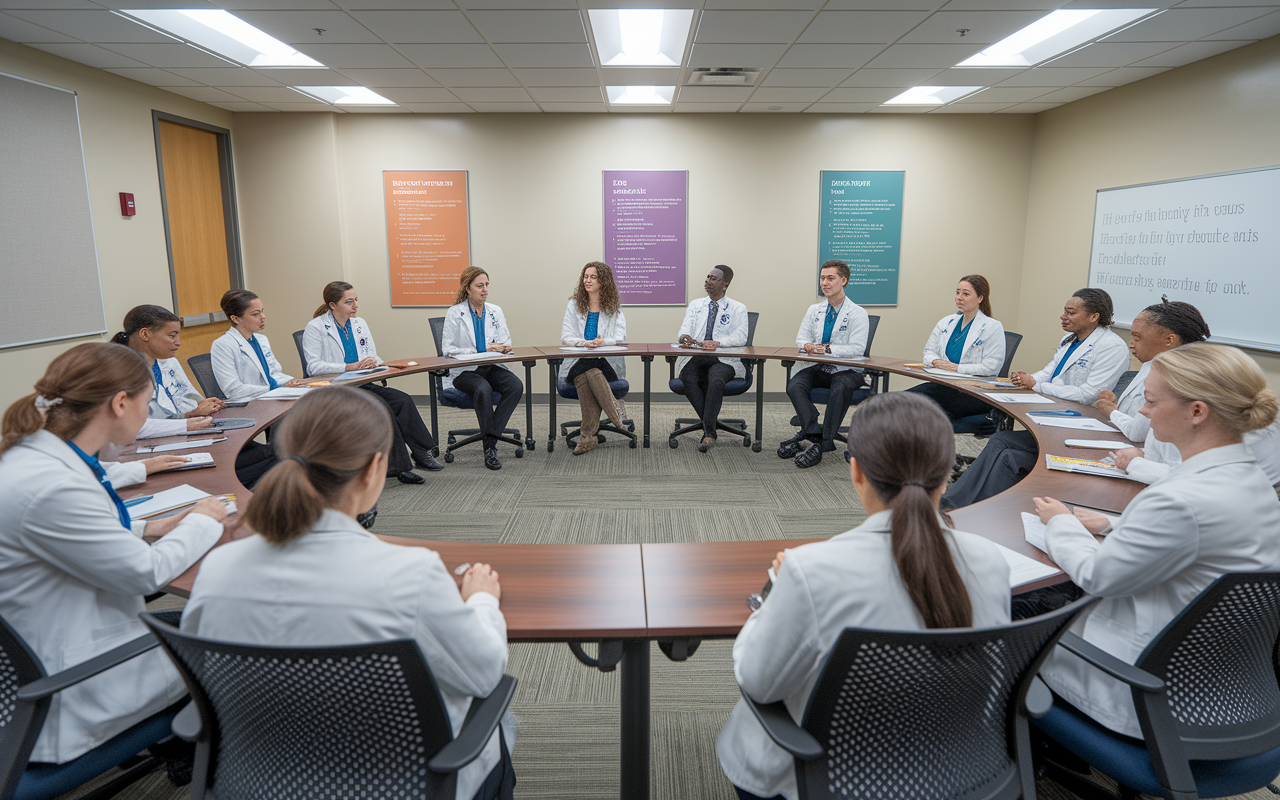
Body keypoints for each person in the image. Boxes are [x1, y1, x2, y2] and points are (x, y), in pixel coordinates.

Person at [180, 387, 514, 800]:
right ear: (375, 469)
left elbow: (207, 684)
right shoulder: (410, 574)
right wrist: (481, 599)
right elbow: (483, 675)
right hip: (393, 787)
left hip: (256, 782)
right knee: (503, 723)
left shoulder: (218, 569)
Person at [717, 392, 1010, 800]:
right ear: (947, 476)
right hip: (951, 771)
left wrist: (774, 594)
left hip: (825, 778)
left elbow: (759, 683)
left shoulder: (810, 570)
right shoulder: (992, 562)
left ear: (856, 472)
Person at [1033, 343, 1280, 739]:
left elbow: (1098, 577)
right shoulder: (1254, 484)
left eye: (1149, 400)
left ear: (1197, 411)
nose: (1143, 412)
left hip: (1140, 689)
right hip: (1218, 686)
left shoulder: (1176, 500)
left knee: (1014, 618)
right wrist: (1113, 527)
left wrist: (1062, 523)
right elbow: (1204, 540)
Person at [0, 343, 228, 766]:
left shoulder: (35, 458)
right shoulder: (54, 485)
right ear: (121, 403)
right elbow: (146, 573)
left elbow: (67, 534)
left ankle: (182, 756)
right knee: (234, 641)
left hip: (39, 647)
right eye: (147, 403)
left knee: (196, 622)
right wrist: (204, 517)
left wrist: (147, 527)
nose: (148, 414)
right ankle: (215, 768)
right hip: (68, 680)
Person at [941, 288, 1130, 509]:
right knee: (1000, 440)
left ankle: (963, 506)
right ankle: (953, 502)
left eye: (1070, 313)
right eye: (1064, 311)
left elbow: (1089, 394)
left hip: (1079, 424)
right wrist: (1027, 379)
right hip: (1056, 412)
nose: (1063, 317)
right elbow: (1050, 372)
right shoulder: (1070, 340)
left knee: (1007, 453)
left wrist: (1037, 384)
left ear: (1094, 316)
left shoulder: (1111, 346)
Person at [114, 304, 279, 488]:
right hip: (158, 446)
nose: (178, 342)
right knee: (270, 457)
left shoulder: (168, 362)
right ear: (145, 334)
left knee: (265, 452)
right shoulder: (125, 372)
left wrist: (202, 406)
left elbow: (191, 398)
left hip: (189, 434)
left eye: (178, 335)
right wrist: (187, 417)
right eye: (172, 335)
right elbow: (139, 425)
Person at [304, 281, 443, 484]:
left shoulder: (359, 324)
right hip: (337, 389)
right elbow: (313, 368)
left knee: (402, 400)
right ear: (332, 305)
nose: (355, 306)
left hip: (363, 382)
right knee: (384, 408)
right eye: (349, 302)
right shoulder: (316, 327)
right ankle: (401, 467)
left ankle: (421, 452)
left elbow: (374, 356)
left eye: (356, 300)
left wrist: (372, 362)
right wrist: (349, 367)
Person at [776, 260, 869, 468]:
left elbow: (857, 349)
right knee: (794, 385)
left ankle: (823, 442)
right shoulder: (814, 310)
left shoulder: (858, 313)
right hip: (820, 367)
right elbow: (800, 338)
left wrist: (826, 349)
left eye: (830, 278)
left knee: (840, 386)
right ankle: (812, 432)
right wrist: (808, 345)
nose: (824, 283)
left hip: (847, 369)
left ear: (843, 281)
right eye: (822, 278)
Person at [1092, 298, 1210, 443]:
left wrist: (1110, 411)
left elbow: (1137, 433)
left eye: (1137, 337)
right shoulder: (1151, 363)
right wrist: (1121, 405)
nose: (1131, 344)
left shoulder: (1172, 374)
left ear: (1169, 340)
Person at [441, 267, 524, 471]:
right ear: (468, 289)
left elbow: (506, 341)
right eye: (479, 286)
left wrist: (502, 347)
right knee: (483, 388)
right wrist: (482, 349)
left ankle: (490, 435)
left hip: (490, 365)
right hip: (464, 371)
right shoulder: (455, 313)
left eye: (486, 285)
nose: (485, 290)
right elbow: (448, 349)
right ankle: (490, 448)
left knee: (515, 386)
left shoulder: (495, 311)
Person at [906, 274, 1007, 429]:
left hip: (974, 392)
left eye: (966, 294)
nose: (959, 297)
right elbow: (928, 352)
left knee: (927, 414)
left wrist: (956, 368)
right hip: (945, 385)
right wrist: (935, 361)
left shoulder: (992, 327)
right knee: (898, 400)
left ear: (980, 298)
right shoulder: (946, 322)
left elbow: (991, 367)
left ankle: (931, 449)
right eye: (957, 292)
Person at [675, 265, 749, 452]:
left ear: (725, 284)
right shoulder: (696, 305)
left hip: (723, 358)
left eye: (714, 278)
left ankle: (708, 431)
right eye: (708, 277)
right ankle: (711, 425)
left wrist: (717, 342)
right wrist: (685, 337)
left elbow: (741, 337)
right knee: (688, 377)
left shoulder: (738, 308)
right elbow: (685, 328)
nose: (708, 281)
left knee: (715, 380)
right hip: (698, 357)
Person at [559, 262, 627, 455]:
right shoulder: (574, 305)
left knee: (591, 370)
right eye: (585, 276)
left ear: (603, 281)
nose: (587, 280)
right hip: (578, 360)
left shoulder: (613, 307)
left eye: (593, 277)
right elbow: (566, 336)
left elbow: (621, 336)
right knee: (589, 369)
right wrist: (584, 343)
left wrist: (601, 342)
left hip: (606, 363)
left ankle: (587, 438)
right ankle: (614, 411)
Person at [209, 289, 298, 403]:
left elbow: (274, 373)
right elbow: (233, 390)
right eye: (256, 314)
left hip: (271, 398)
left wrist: (295, 383)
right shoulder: (222, 345)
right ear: (235, 318)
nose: (263, 317)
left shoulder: (261, 339)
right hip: (250, 405)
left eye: (262, 311)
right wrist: (272, 389)